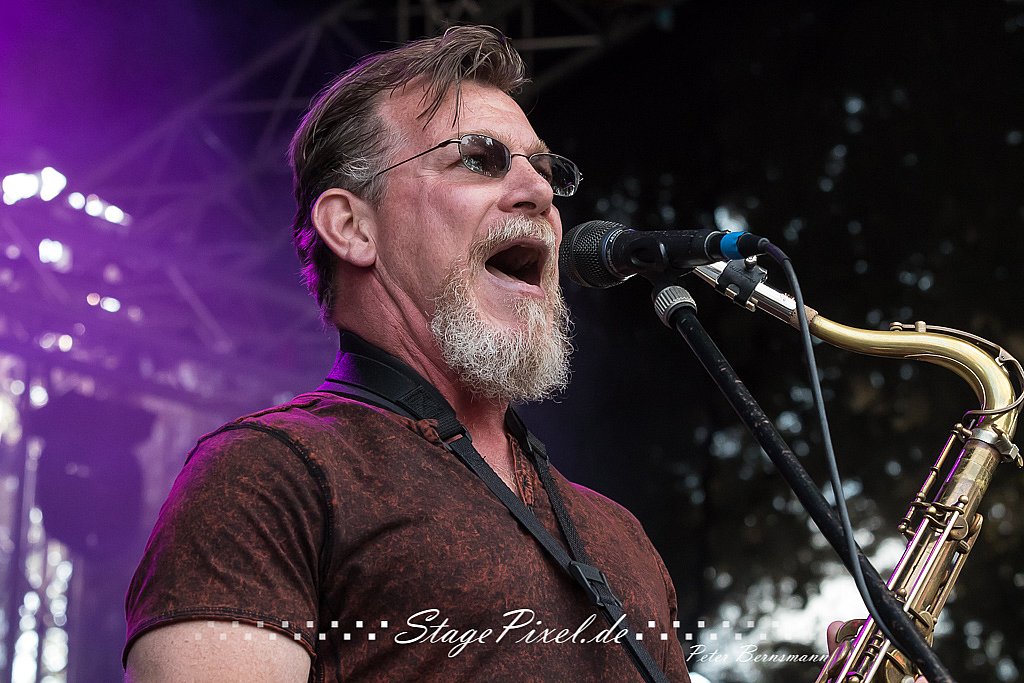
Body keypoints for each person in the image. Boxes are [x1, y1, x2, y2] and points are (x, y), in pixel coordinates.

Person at [123, 25, 690, 682]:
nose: (539, 193)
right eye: (479, 158)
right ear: (352, 227)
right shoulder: (267, 477)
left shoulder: (621, 537)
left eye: (546, 169)